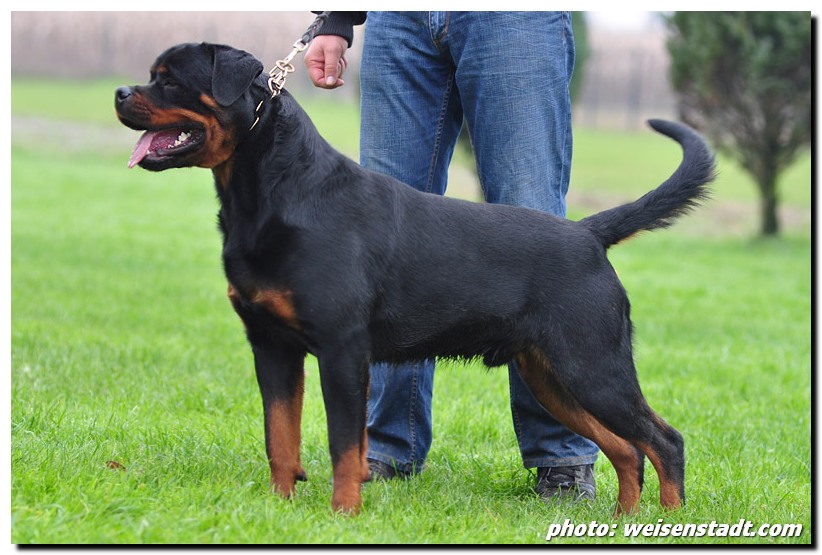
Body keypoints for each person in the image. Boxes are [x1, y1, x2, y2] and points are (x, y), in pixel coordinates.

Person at [304, 11, 599, 501]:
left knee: (534, 223)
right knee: (382, 240)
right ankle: (387, 447)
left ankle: (561, 457)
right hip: (396, 20)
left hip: (513, 19)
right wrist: (335, 18)